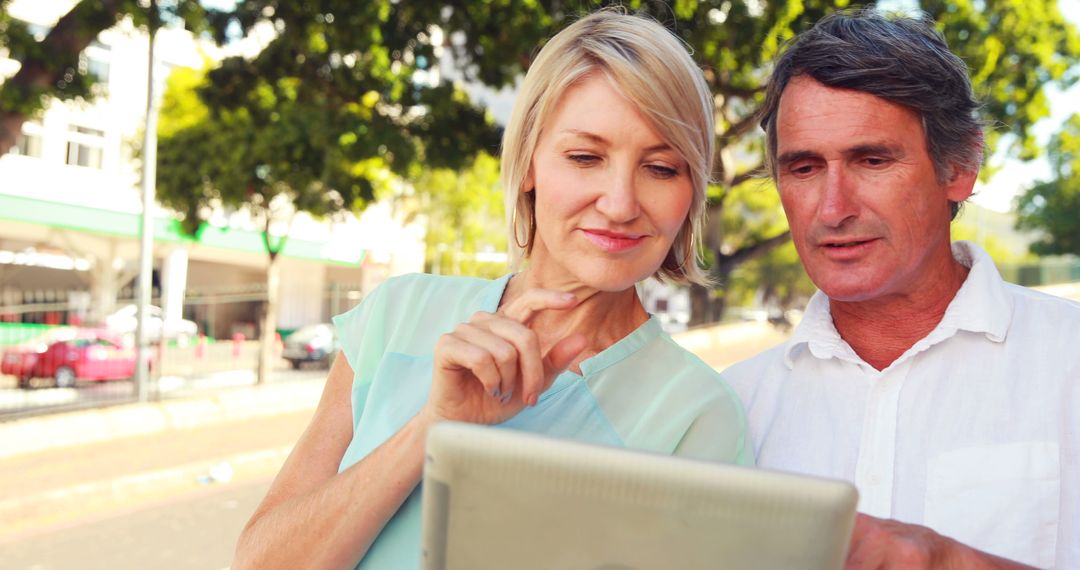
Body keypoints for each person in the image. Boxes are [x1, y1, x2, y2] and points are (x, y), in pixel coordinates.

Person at [233, 10, 751, 569]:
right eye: (585, 157)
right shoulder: (399, 315)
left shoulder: (697, 415)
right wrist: (434, 427)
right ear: (529, 162)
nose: (621, 203)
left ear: (692, 189)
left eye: (662, 167)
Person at [723, 9, 1080, 569]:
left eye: (871, 160)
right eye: (805, 168)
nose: (834, 209)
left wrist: (953, 562)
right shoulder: (731, 407)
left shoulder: (1070, 363)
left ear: (961, 164)